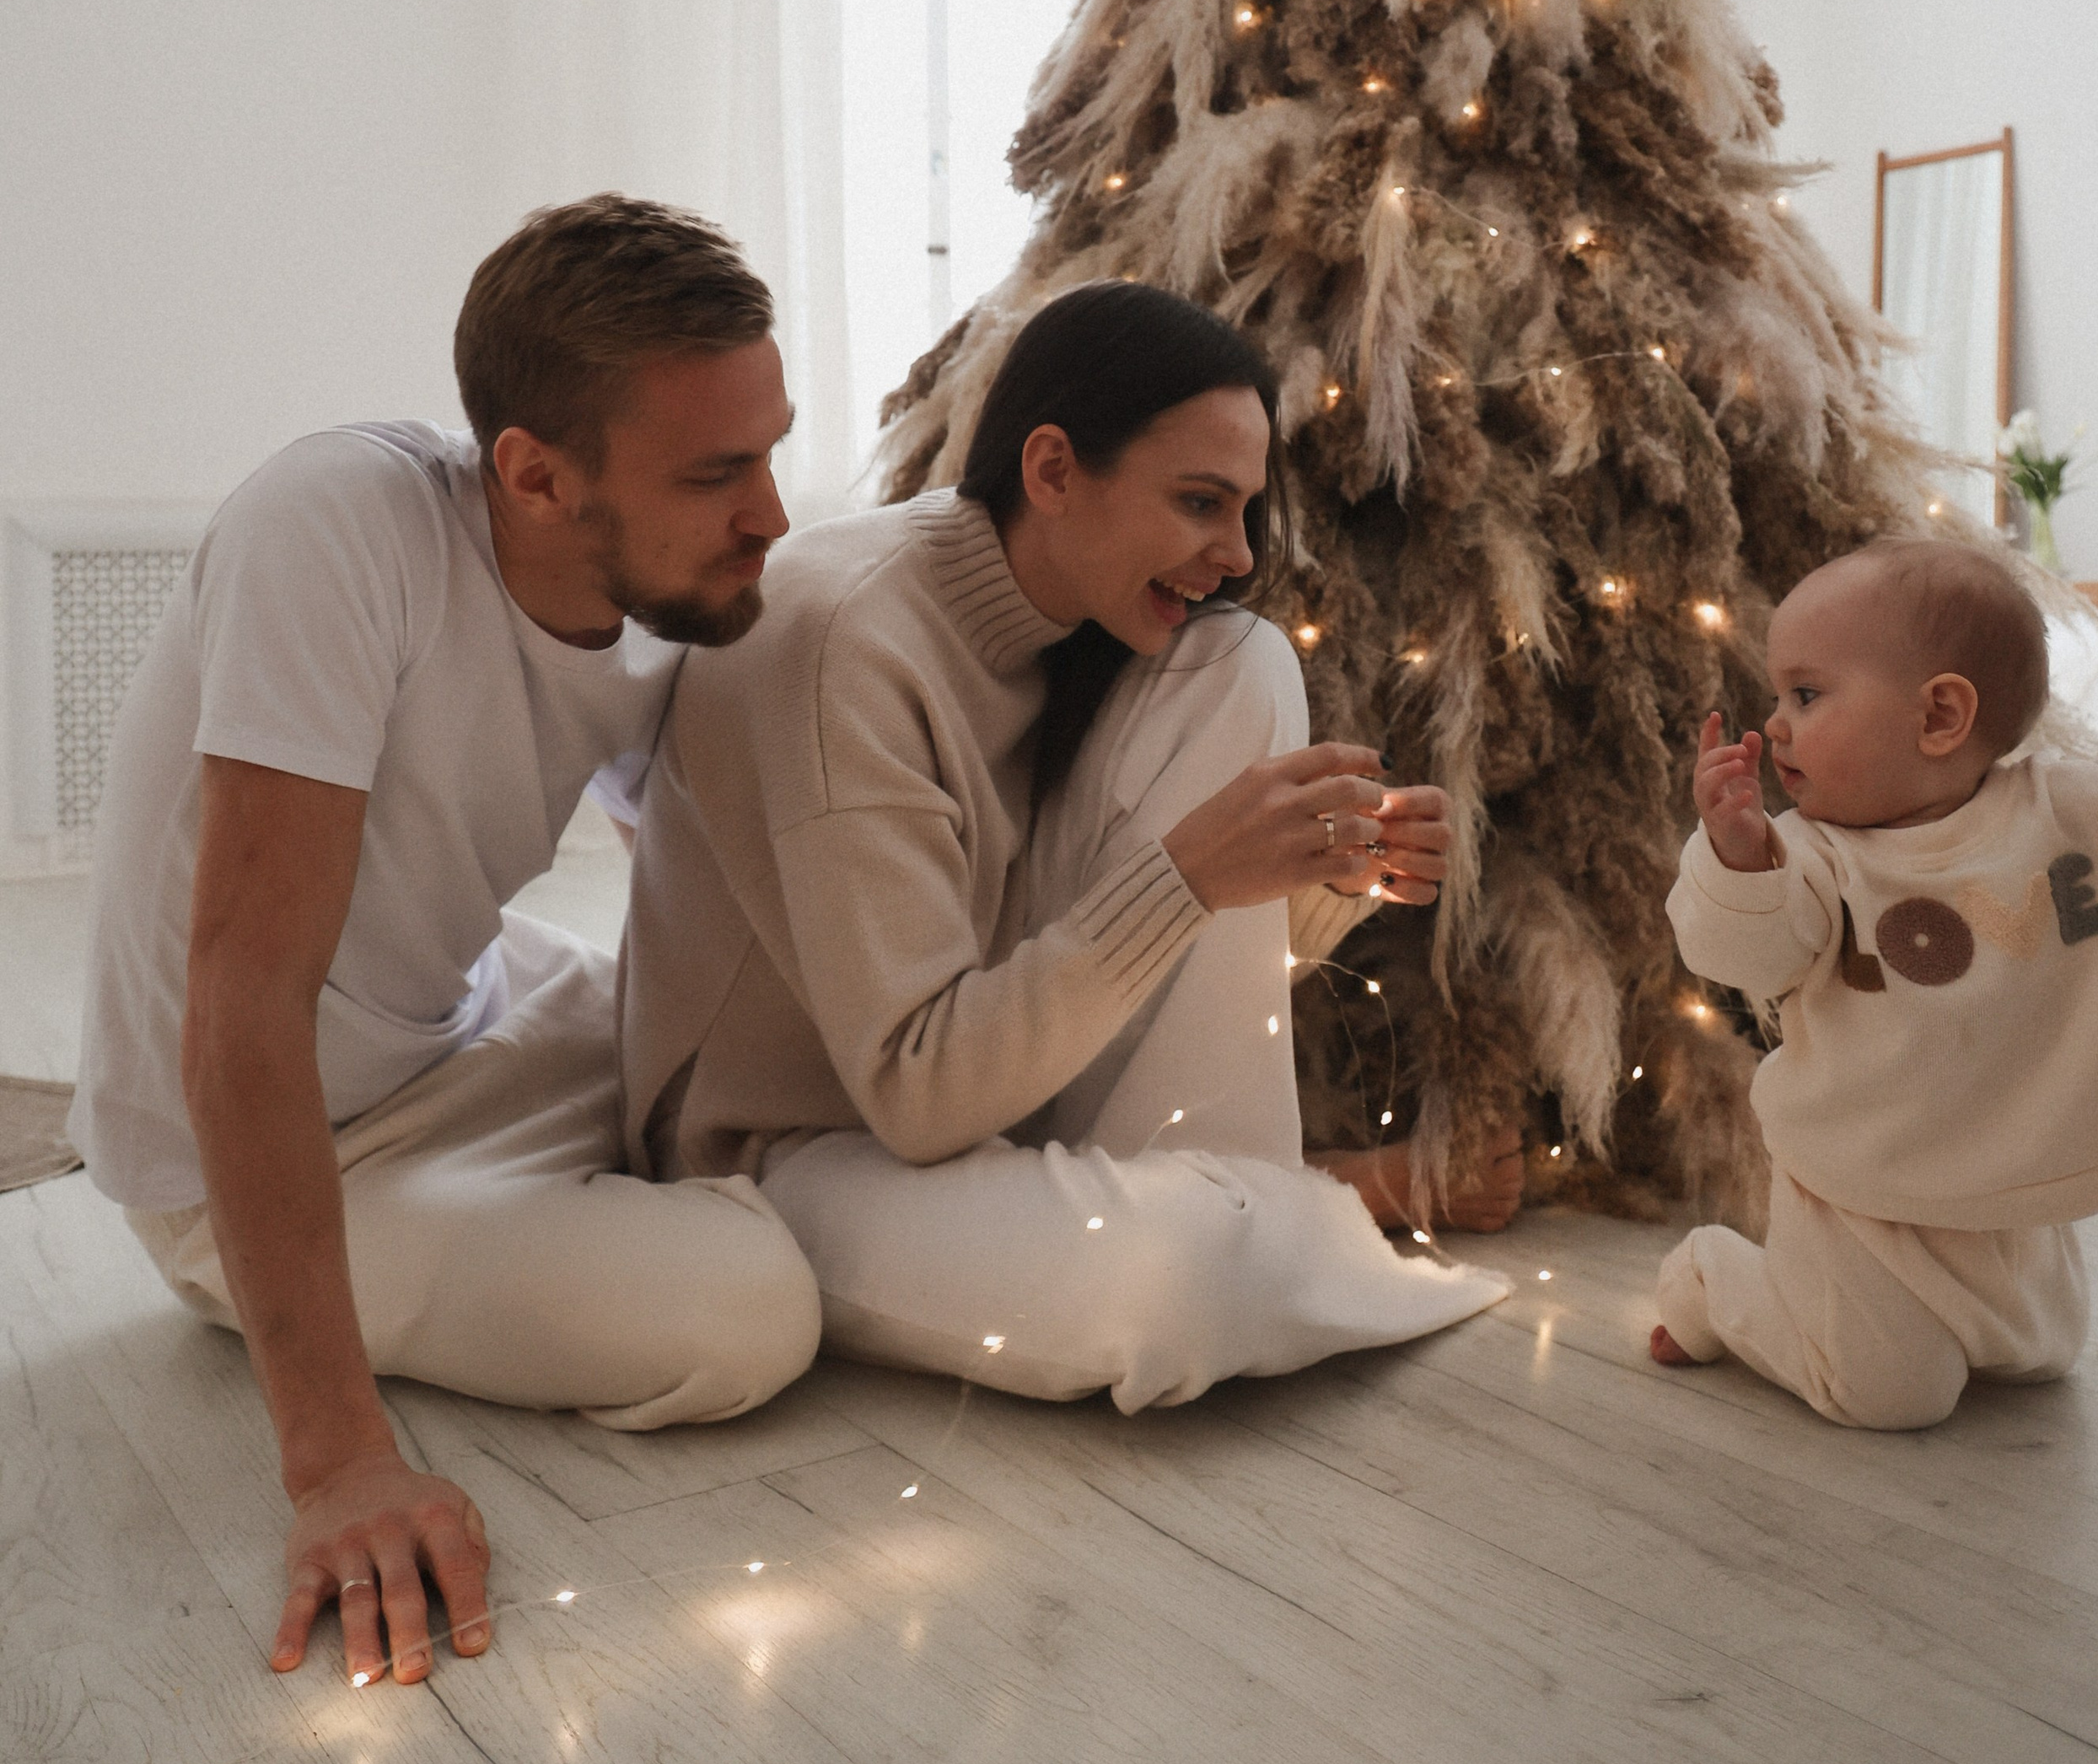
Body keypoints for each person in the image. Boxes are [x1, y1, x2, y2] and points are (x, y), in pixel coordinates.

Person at [74, 197, 821, 1691]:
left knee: (783, 1075)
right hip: (266, 1147)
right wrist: (339, 1461)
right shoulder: (336, 526)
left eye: (772, 449)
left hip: (475, 1024)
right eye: (718, 471)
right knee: (748, 1317)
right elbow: (242, 1000)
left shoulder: (668, 592)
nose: (772, 516)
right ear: (535, 476)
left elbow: (698, 889)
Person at [622, 282, 1511, 1407]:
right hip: (788, 1149)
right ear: (1051, 472)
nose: (1235, 554)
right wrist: (1192, 873)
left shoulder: (1084, 632)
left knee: (1246, 659)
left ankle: (1255, 1204)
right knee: (1166, 1283)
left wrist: (1320, 881)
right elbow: (920, 1092)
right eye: (1199, 502)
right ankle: (1289, 1209)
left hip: (994, 1105)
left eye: (1244, 510)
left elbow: (1160, 990)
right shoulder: (842, 638)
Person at [1652, 539, 2098, 1427]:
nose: (1776, 727)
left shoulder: (2082, 812)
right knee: (1890, 1396)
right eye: (1778, 697)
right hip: (1858, 1181)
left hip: (2015, 1176)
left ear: (1940, 717)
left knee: (2037, 1360)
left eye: (1805, 694)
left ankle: (1965, 1318)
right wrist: (1735, 857)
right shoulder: (1810, 855)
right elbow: (1739, 956)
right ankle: (1710, 1279)